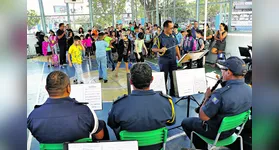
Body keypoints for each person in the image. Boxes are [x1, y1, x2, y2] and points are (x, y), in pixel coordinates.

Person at [181, 56, 251, 150]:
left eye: (222, 69)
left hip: (216, 133)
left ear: (229, 72)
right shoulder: (250, 90)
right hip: (232, 130)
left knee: (185, 122)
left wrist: (206, 98)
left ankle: (202, 148)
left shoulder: (220, 94)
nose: (221, 71)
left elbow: (203, 117)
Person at [27, 71, 110, 143]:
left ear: (46, 88)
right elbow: (100, 136)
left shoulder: (33, 117)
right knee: (100, 125)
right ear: (68, 88)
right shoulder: (85, 111)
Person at [108, 63, 176, 150]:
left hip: (131, 146)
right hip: (156, 146)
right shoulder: (167, 101)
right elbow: (171, 122)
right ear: (152, 79)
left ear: (130, 81)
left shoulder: (119, 104)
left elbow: (112, 123)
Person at [152, 20, 181, 96]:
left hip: (173, 60)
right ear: (165, 28)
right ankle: (164, 94)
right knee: (164, 78)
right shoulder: (159, 37)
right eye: (171, 28)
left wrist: (179, 57)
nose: (173, 29)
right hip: (164, 61)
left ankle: (173, 92)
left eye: (173, 28)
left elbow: (176, 46)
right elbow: (153, 48)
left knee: (174, 77)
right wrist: (160, 49)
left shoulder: (173, 35)